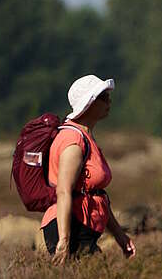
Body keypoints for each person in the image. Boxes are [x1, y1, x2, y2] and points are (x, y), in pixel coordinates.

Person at [40, 74, 136, 265]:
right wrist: (64, 241)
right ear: (89, 104)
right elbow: (64, 191)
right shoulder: (73, 141)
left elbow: (95, 195)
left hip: (85, 231)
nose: (109, 100)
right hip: (71, 230)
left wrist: (120, 236)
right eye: (103, 96)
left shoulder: (85, 137)